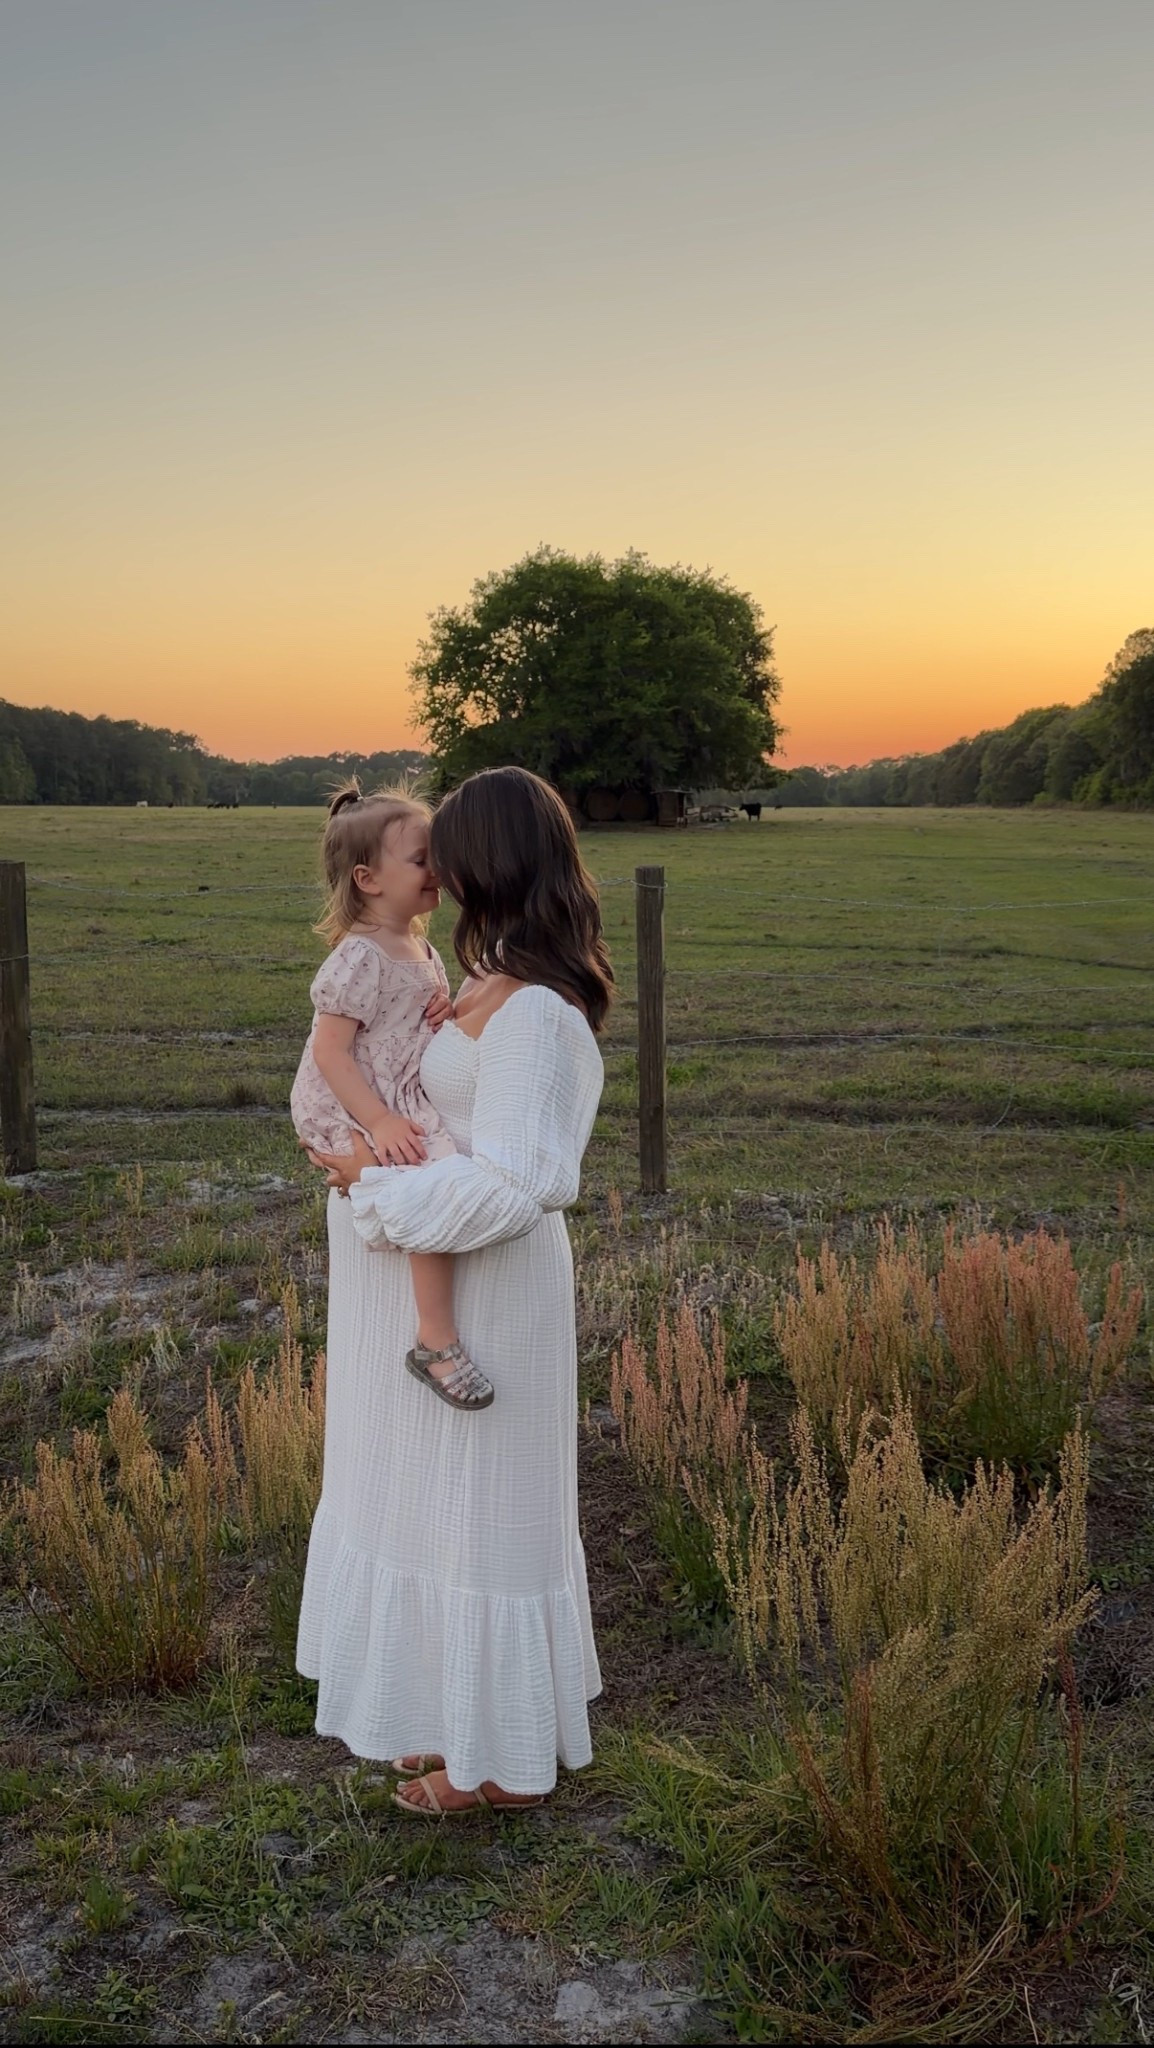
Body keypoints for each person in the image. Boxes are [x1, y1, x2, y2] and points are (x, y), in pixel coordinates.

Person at [297, 765, 612, 1817]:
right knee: (428, 1501)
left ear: (491, 859)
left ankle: (500, 1765)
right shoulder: (476, 978)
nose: (438, 867)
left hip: (486, 1283)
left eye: (450, 848)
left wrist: (376, 1186)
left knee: (483, 1512)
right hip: (415, 1273)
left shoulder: (539, 1013)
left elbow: (522, 1183)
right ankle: (450, 1713)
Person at [290, 783, 494, 1409]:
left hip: (395, 1095)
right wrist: (376, 1121)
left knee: (434, 1182)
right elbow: (329, 1051)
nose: (438, 870)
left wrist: (442, 1005)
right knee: (421, 1187)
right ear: (368, 879)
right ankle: (435, 1339)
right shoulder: (358, 956)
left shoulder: (421, 946)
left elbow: (407, 1021)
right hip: (353, 1101)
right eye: (421, 859)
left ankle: (430, 1318)